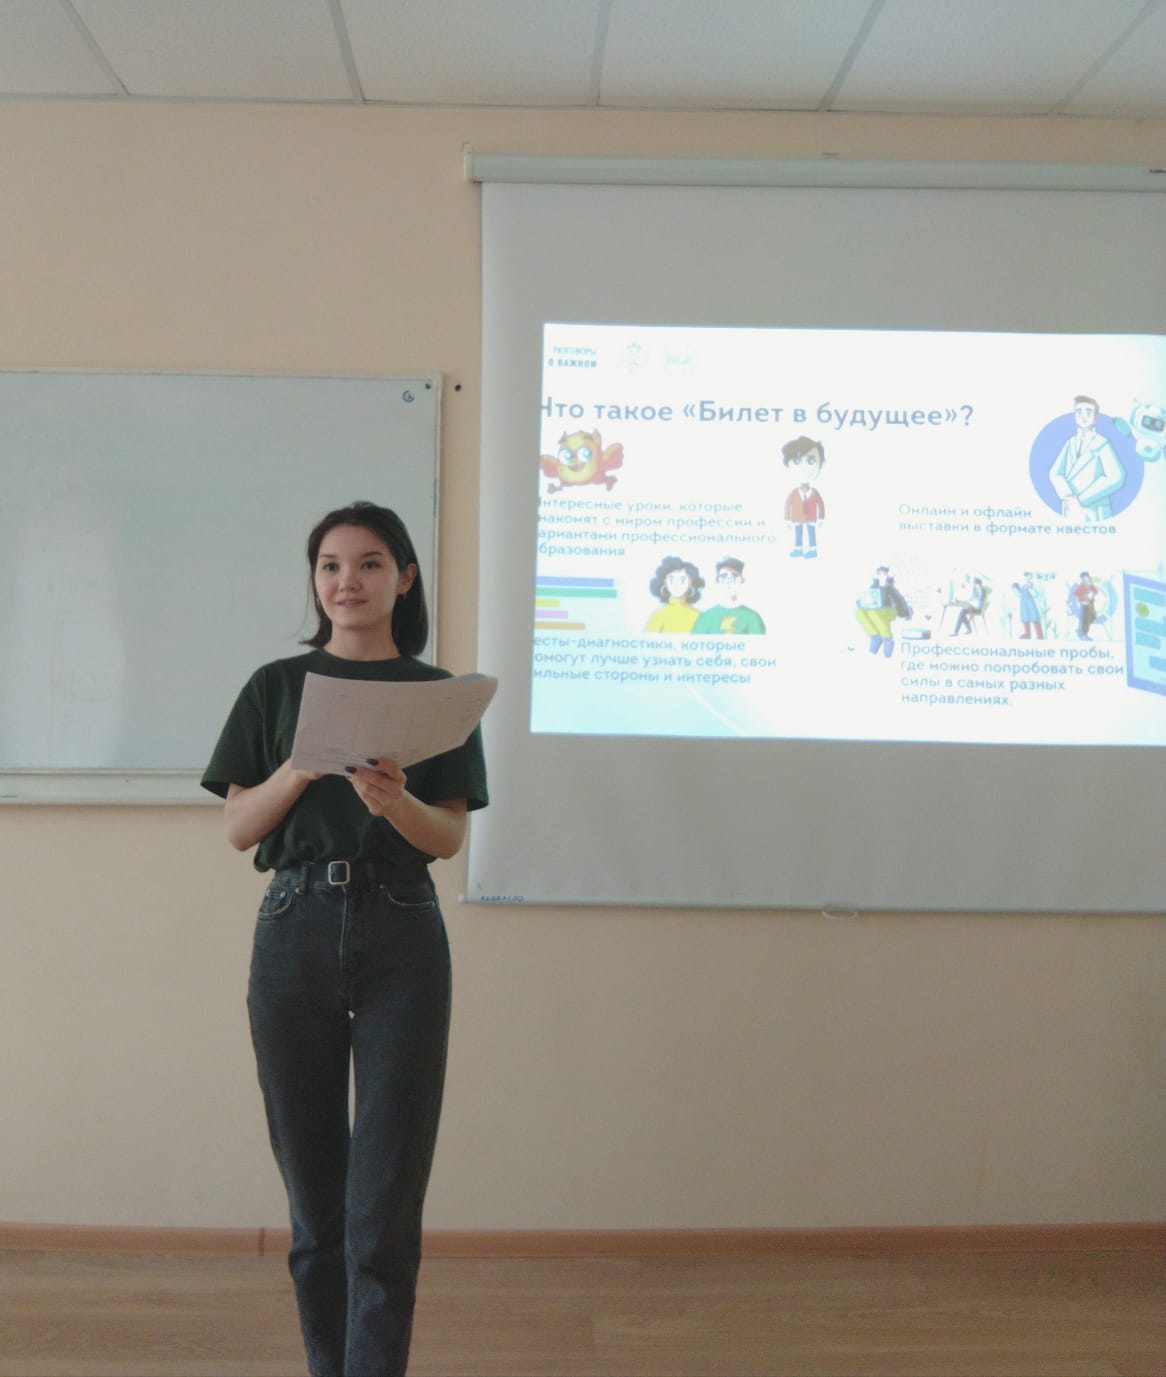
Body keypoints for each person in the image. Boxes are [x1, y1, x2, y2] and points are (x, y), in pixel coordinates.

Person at [202, 501, 488, 1377]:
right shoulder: (274, 686)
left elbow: (449, 836)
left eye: (368, 564)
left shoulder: (437, 695)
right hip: (293, 926)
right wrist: (300, 765)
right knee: (315, 1199)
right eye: (329, 565)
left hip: (403, 928)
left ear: (404, 577)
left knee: (386, 1203)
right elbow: (238, 827)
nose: (346, 581)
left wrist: (394, 802)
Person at [1049, 395, 1125, 522]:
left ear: (1096, 416)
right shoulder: (1070, 443)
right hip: (1070, 507)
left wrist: (1081, 499)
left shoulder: (1101, 443)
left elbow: (1116, 476)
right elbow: (1055, 473)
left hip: (1095, 508)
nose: (1083, 416)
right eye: (1079, 412)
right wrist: (1067, 495)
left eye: (1088, 411)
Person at [692, 557, 766, 633]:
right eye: (724, 576)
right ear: (717, 581)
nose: (729, 581)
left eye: (735, 576)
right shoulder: (706, 617)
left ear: (742, 580)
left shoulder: (753, 618)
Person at [781, 435, 826, 558]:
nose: (804, 468)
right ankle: (798, 549)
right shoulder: (794, 493)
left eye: (811, 461)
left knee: (811, 534)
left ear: (822, 466)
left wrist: (821, 518)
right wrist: (787, 519)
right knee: (798, 534)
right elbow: (787, 505)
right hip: (797, 518)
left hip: (811, 518)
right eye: (797, 462)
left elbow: (821, 505)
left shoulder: (815, 493)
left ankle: (812, 549)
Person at [855, 565, 912, 658]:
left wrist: (905, 612)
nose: (882, 576)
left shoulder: (889, 588)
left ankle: (887, 638)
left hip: (891, 610)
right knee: (860, 612)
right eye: (880, 574)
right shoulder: (873, 587)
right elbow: (868, 599)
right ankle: (875, 636)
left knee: (874, 613)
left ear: (887, 575)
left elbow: (899, 600)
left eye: (884, 574)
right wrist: (861, 603)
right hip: (877, 610)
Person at [644, 555, 704, 632]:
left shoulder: (698, 616)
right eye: (671, 579)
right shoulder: (659, 615)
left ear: (690, 582)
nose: (677, 584)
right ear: (665, 582)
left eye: (682, 579)